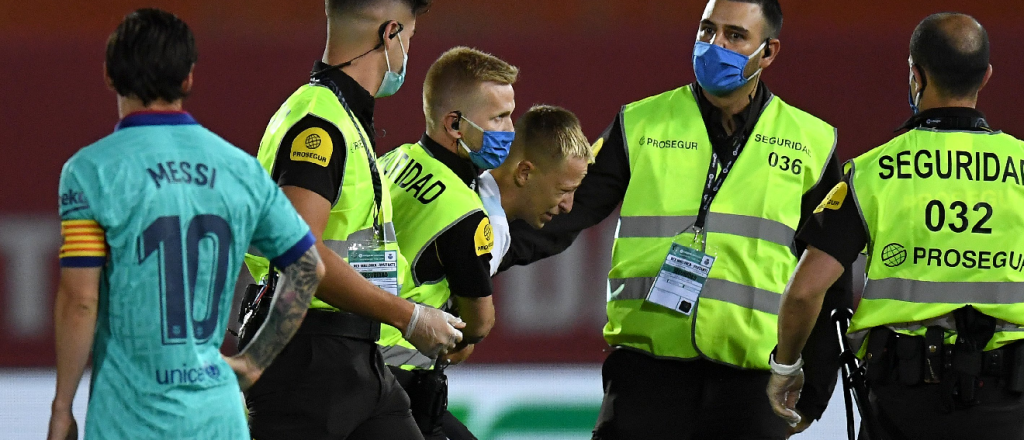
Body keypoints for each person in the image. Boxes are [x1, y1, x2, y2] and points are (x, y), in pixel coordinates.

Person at [499, 0, 852, 438]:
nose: (714, 45)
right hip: (646, 377)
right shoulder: (640, 123)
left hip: (751, 386)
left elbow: (827, 276)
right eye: (707, 30)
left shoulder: (811, 144)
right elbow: (564, 213)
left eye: (734, 36)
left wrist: (816, 390)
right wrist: (482, 257)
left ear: (769, 52)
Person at [46, 8, 325, 440]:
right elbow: (309, 268)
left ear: (109, 75)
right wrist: (254, 361)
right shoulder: (240, 170)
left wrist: (62, 407)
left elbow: (81, 301)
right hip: (216, 415)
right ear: (189, 78)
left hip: (128, 417)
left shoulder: (91, 171)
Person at [769, 13, 1024, 439]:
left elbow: (805, 291)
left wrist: (787, 366)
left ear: (915, 75)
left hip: (904, 407)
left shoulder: (872, 173)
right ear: (986, 77)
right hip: (1010, 405)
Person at [242, 1, 465, 439]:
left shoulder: (340, 116)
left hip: (356, 356)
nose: (407, 53)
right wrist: (410, 317)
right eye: (410, 39)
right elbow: (300, 259)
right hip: (306, 362)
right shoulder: (319, 125)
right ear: (390, 35)